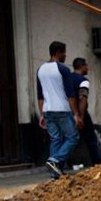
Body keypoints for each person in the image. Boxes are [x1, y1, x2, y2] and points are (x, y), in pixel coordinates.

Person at [38, 41, 83, 179]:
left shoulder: (40, 69)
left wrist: (41, 114)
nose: (65, 55)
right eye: (64, 52)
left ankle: (55, 174)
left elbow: (40, 94)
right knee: (73, 137)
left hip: (47, 110)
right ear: (58, 52)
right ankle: (55, 161)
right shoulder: (63, 69)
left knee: (55, 139)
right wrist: (76, 114)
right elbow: (70, 94)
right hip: (62, 110)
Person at [71, 57, 101, 165]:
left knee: (70, 139)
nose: (88, 68)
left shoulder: (68, 78)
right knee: (91, 138)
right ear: (81, 66)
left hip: (67, 112)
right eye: (86, 66)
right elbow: (82, 98)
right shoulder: (83, 81)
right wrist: (81, 116)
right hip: (79, 112)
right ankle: (97, 163)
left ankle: (69, 163)